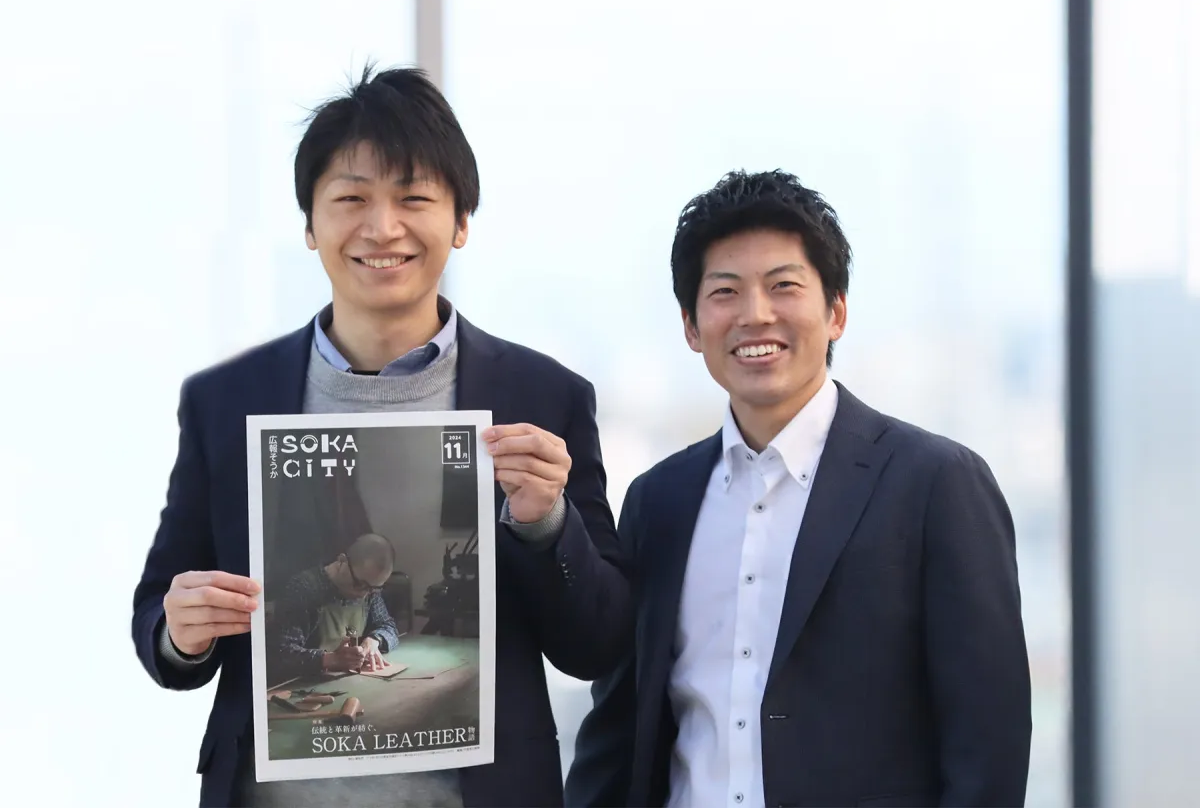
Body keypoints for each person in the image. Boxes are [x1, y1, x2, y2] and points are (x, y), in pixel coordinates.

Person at [130, 64, 630, 808]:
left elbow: (600, 643)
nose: (382, 227)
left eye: (414, 198)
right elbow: (159, 616)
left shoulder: (542, 396)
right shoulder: (225, 402)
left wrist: (546, 524)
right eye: (352, 198)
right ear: (310, 224)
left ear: (460, 221)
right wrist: (181, 631)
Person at [564, 170, 1032, 808]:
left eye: (783, 286)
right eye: (725, 292)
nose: (755, 314)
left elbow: (988, 745)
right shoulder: (658, 500)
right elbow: (620, 726)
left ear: (836, 311)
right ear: (692, 327)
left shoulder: (937, 484)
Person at [269, 532, 401, 681]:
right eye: (360, 584)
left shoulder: (369, 589)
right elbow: (280, 654)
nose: (365, 595)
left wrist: (374, 641)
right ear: (342, 561)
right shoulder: (303, 589)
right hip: (301, 685)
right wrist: (330, 659)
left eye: (374, 589)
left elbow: (388, 626)